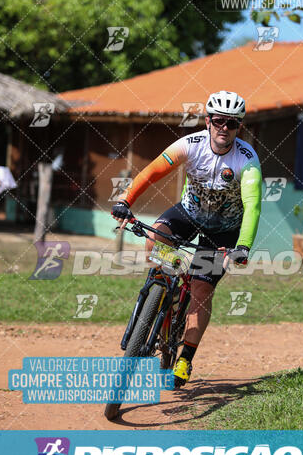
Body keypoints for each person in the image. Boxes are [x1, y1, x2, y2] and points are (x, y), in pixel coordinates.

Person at [111, 90, 262, 387]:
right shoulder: (190, 145)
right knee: (156, 239)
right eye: (219, 121)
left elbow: (253, 205)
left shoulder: (248, 161)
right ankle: (165, 285)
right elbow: (153, 171)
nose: (224, 128)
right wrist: (126, 201)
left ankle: (185, 358)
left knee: (202, 290)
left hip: (224, 230)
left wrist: (242, 246)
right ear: (207, 121)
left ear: (239, 127)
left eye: (232, 123)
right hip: (189, 214)